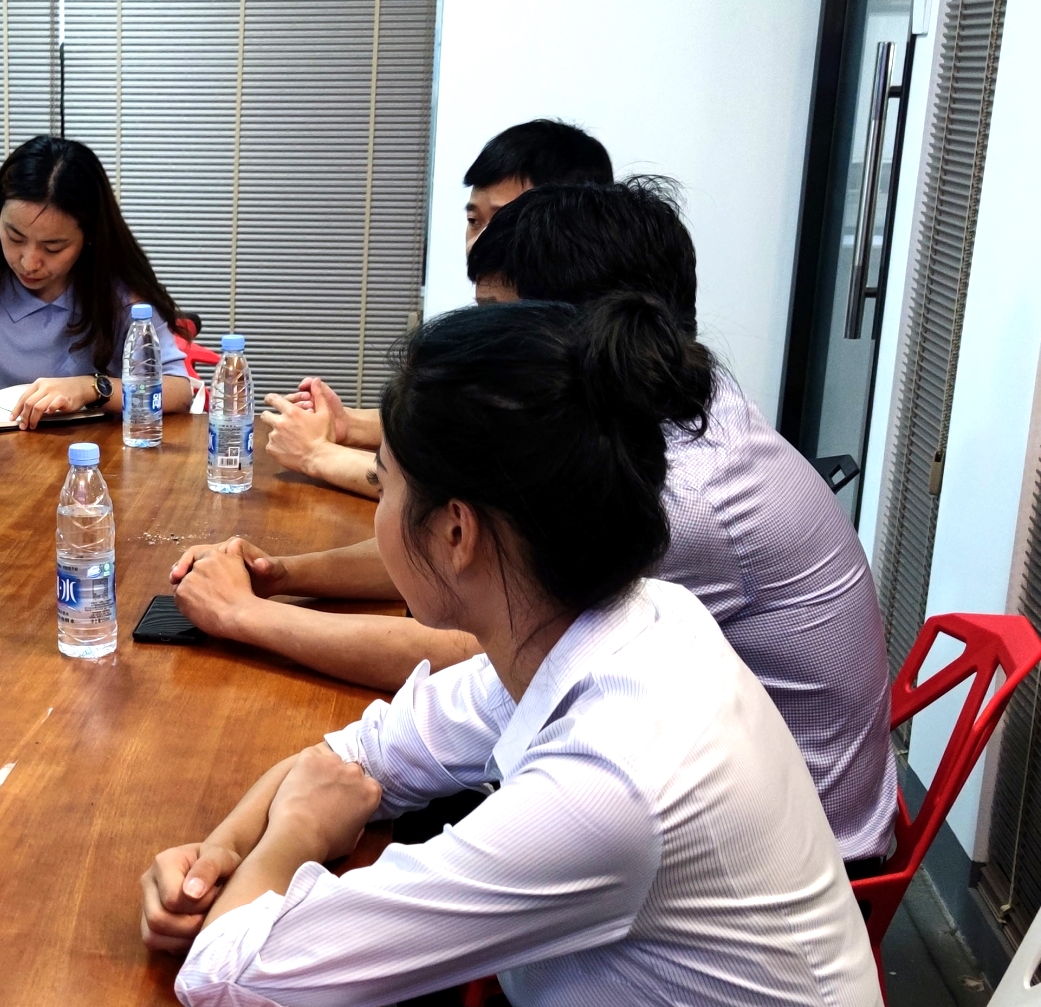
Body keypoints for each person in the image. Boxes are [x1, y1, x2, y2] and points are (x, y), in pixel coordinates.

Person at [142, 297, 893, 1007]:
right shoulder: (625, 619)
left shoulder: (613, 782)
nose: (378, 514)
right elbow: (363, 751)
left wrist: (290, 841)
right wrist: (219, 856)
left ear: (456, 532)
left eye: (385, 484)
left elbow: (226, 972)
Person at [174, 178, 898, 873]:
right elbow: (450, 552)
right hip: (698, 804)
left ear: (570, 337)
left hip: (776, 856)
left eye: (498, 322)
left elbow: (472, 651)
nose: (484, 348)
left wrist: (247, 617)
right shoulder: (664, 412)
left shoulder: (669, 495)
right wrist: (284, 576)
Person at [262, 118, 614, 496]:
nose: (479, 242)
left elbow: (465, 490)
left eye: (503, 222)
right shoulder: (513, 319)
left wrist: (317, 454)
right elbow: (466, 427)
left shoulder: (584, 346)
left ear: (567, 221)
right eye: (474, 220)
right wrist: (348, 424)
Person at [0, 135, 191, 429]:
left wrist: (93, 388)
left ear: (89, 237)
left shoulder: (120, 298)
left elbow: (178, 390)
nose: (29, 262)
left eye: (53, 248)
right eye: (15, 237)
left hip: (94, 458)